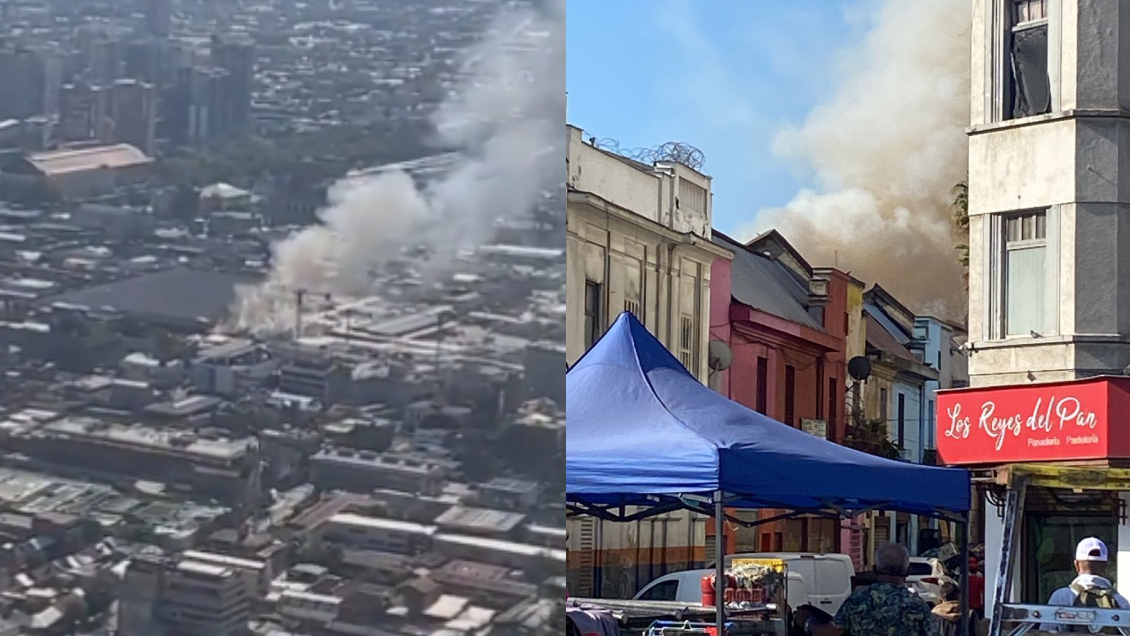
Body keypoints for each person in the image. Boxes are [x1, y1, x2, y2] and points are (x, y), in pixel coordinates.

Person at [802, 543, 936, 636]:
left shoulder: (858, 600)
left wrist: (808, 622)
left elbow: (830, 632)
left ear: (875, 569)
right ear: (908, 571)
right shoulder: (919, 606)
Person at [1040, 537, 1130, 633]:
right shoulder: (1119, 600)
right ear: (1105, 566)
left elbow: (1045, 631)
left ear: (1077, 565)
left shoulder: (1061, 596)